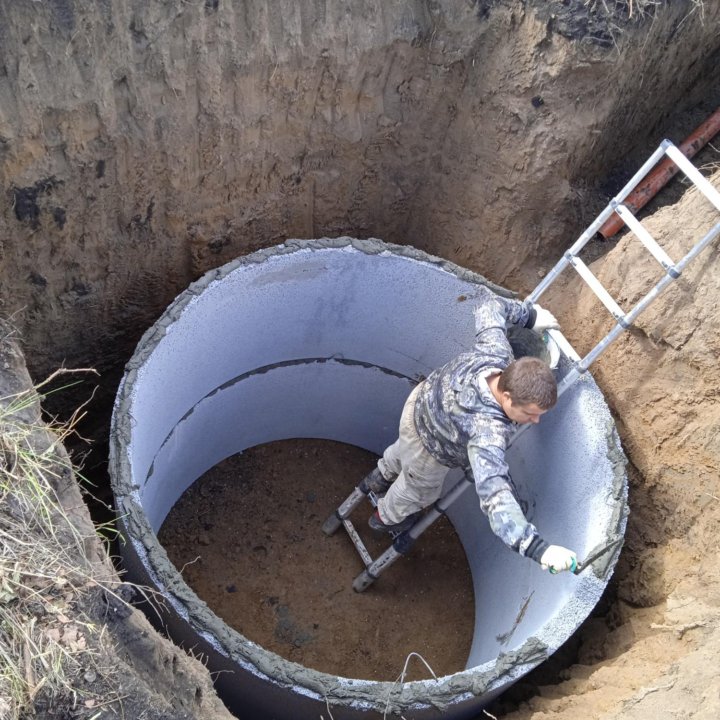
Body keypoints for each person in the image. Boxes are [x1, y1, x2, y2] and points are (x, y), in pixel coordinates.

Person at [361, 288, 578, 575]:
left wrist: (529, 316)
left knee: (403, 451)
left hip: (418, 406)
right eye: (530, 414)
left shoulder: (496, 354)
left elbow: (489, 306)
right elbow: (494, 494)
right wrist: (537, 548)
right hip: (431, 447)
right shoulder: (486, 429)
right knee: (418, 489)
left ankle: (381, 474)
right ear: (509, 398)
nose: (534, 422)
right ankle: (384, 517)